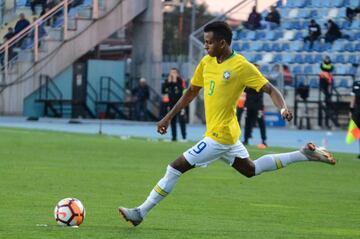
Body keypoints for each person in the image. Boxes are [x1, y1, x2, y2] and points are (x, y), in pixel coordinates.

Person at [118, 21, 336, 227]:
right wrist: (168, 117)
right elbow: (192, 91)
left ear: (222, 43)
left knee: (174, 168)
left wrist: (283, 108)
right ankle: (303, 154)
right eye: (204, 41)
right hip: (226, 133)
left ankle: (141, 212)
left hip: (219, 136)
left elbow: (270, 89)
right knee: (251, 169)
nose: (205, 46)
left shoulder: (242, 66)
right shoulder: (207, 62)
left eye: (209, 42)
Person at [243, 64, 267, 148]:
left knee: (261, 123)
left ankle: (264, 141)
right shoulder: (247, 80)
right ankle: (246, 139)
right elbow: (244, 89)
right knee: (247, 122)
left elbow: (262, 90)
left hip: (258, 106)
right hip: (248, 105)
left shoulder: (262, 79)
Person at [162, 68, 187, 141]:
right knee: (172, 121)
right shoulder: (168, 81)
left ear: (177, 73)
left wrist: (175, 81)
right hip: (171, 104)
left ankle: (184, 137)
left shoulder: (180, 81)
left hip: (180, 104)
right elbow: (163, 90)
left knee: (182, 120)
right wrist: (169, 82)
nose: (172, 74)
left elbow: (181, 91)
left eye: (174, 72)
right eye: (171, 73)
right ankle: (174, 137)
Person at [319, 55, 334, 128]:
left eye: (327, 59)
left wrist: (326, 70)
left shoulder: (330, 65)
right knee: (324, 90)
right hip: (323, 80)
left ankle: (327, 99)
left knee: (328, 91)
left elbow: (330, 69)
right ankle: (326, 98)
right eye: (326, 59)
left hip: (328, 80)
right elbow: (322, 68)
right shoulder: (323, 64)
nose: (326, 60)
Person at [350, 79, 360, 159]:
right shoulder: (356, 83)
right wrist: (351, 110)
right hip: (358, 110)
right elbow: (353, 97)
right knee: (357, 132)